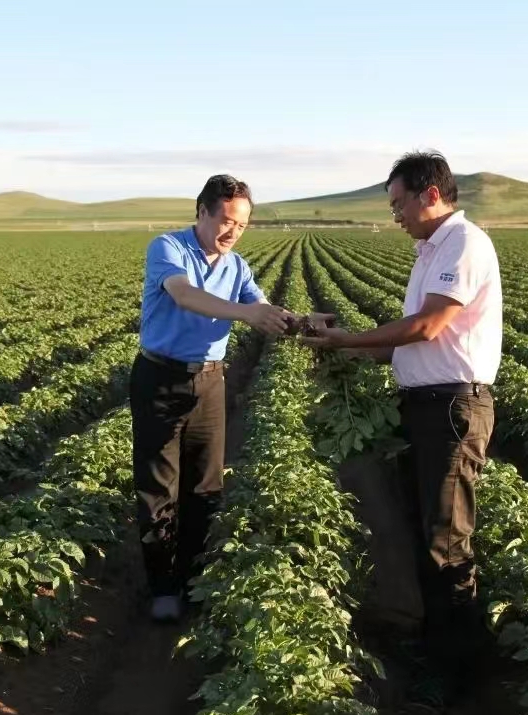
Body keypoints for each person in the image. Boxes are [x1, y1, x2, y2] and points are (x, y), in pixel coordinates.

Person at [301, 150, 502, 687]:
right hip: (425, 406)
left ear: (429, 194)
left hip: (453, 409)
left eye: (398, 205)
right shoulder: (429, 251)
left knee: (446, 542)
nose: (396, 217)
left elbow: (429, 326)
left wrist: (349, 339)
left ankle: (457, 674)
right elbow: (406, 348)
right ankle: (434, 648)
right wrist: (340, 347)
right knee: (424, 532)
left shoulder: (462, 244)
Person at [130, 174, 293, 622]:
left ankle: (194, 578)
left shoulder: (236, 266)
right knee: (159, 486)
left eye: (240, 225)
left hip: (210, 381)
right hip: (160, 379)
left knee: (205, 485)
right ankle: (163, 587)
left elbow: (261, 306)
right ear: (201, 212)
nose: (231, 232)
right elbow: (184, 295)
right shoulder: (168, 248)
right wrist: (245, 313)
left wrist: (299, 321)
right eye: (224, 221)